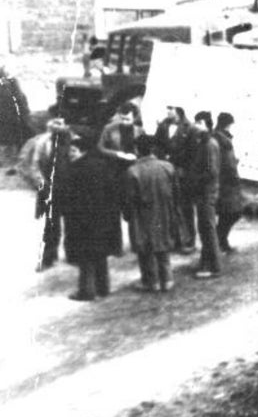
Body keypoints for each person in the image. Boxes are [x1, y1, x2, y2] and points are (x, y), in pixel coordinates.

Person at [58, 133, 123, 301]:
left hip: (82, 221)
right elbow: (113, 192)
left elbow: (67, 198)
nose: (70, 154)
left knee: (85, 256)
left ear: (83, 151)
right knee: (100, 254)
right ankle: (103, 288)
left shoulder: (73, 170)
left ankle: (86, 291)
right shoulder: (103, 166)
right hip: (103, 219)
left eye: (73, 150)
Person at [122, 133, 177, 293]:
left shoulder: (133, 171)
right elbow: (176, 192)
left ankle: (149, 281)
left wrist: (127, 215)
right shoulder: (168, 167)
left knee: (144, 248)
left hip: (142, 215)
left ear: (137, 150)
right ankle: (167, 279)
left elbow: (129, 199)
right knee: (163, 245)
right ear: (153, 149)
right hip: (164, 211)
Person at [19, 117, 73, 270]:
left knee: (72, 222)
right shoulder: (43, 143)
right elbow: (34, 165)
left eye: (60, 124)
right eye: (54, 124)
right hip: (50, 187)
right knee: (51, 224)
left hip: (70, 188)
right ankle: (49, 257)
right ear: (49, 126)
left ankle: (72, 254)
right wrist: (42, 185)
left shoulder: (73, 140)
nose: (57, 127)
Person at [154, 106, 196, 253]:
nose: (168, 111)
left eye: (171, 108)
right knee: (169, 206)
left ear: (179, 109)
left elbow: (192, 152)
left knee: (185, 207)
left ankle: (189, 240)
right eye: (167, 108)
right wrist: (162, 158)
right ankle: (175, 239)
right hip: (166, 172)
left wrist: (174, 159)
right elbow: (157, 145)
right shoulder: (163, 126)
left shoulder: (189, 128)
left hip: (182, 173)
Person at [188, 111, 222, 278]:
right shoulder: (206, 142)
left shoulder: (209, 144)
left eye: (197, 123)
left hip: (206, 192)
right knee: (205, 228)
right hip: (205, 192)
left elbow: (212, 171)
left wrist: (194, 179)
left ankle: (214, 266)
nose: (195, 126)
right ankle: (206, 263)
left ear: (204, 123)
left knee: (208, 229)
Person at [213, 112, 243, 255]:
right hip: (227, 182)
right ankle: (220, 242)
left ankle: (222, 242)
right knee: (232, 213)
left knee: (229, 214)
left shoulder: (220, 137)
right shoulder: (223, 139)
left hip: (226, 181)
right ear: (228, 124)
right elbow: (227, 162)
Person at [96, 101, 143, 167]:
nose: (124, 122)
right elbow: (100, 147)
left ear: (135, 118)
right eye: (122, 118)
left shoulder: (140, 131)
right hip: (115, 164)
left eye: (127, 119)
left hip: (135, 164)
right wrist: (117, 154)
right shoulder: (109, 128)